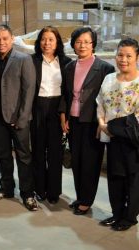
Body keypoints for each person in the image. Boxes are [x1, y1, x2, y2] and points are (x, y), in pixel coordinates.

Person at [0, 24, 37, 211]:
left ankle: (27, 193)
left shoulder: (23, 59)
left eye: (5, 38)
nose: (1, 42)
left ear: (12, 39)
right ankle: (7, 188)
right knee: (3, 156)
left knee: (24, 157)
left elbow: (28, 91)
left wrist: (22, 118)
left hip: (18, 119)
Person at [60, 27, 115, 215]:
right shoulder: (69, 67)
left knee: (91, 162)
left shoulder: (105, 68)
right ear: (73, 45)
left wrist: (104, 123)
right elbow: (65, 96)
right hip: (73, 121)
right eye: (78, 42)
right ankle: (80, 196)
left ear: (93, 44)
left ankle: (87, 201)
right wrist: (63, 117)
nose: (82, 45)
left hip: (93, 122)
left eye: (86, 42)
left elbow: (109, 99)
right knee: (77, 162)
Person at [96, 38, 139, 231]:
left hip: (133, 141)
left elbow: (136, 117)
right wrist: (101, 123)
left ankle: (130, 218)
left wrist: (111, 127)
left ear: (137, 57)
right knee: (115, 178)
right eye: (120, 55)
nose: (123, 59)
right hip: (112, 139)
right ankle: (117, 214)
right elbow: (100, 104)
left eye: (129, 56)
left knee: (133, 180)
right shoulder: (109, 79)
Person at [31, 26, 72, 204]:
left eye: (51, 39)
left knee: (55, 152)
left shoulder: (66, 62)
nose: (46, 43)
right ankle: (39, 188)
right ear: (39, 42)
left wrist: (64, 113)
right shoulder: (31, 61)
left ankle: (54, 191)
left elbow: (68, 91)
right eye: (43, 39)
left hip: (57, 108)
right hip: (37, 106)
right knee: (38, 151)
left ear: (57, 43)